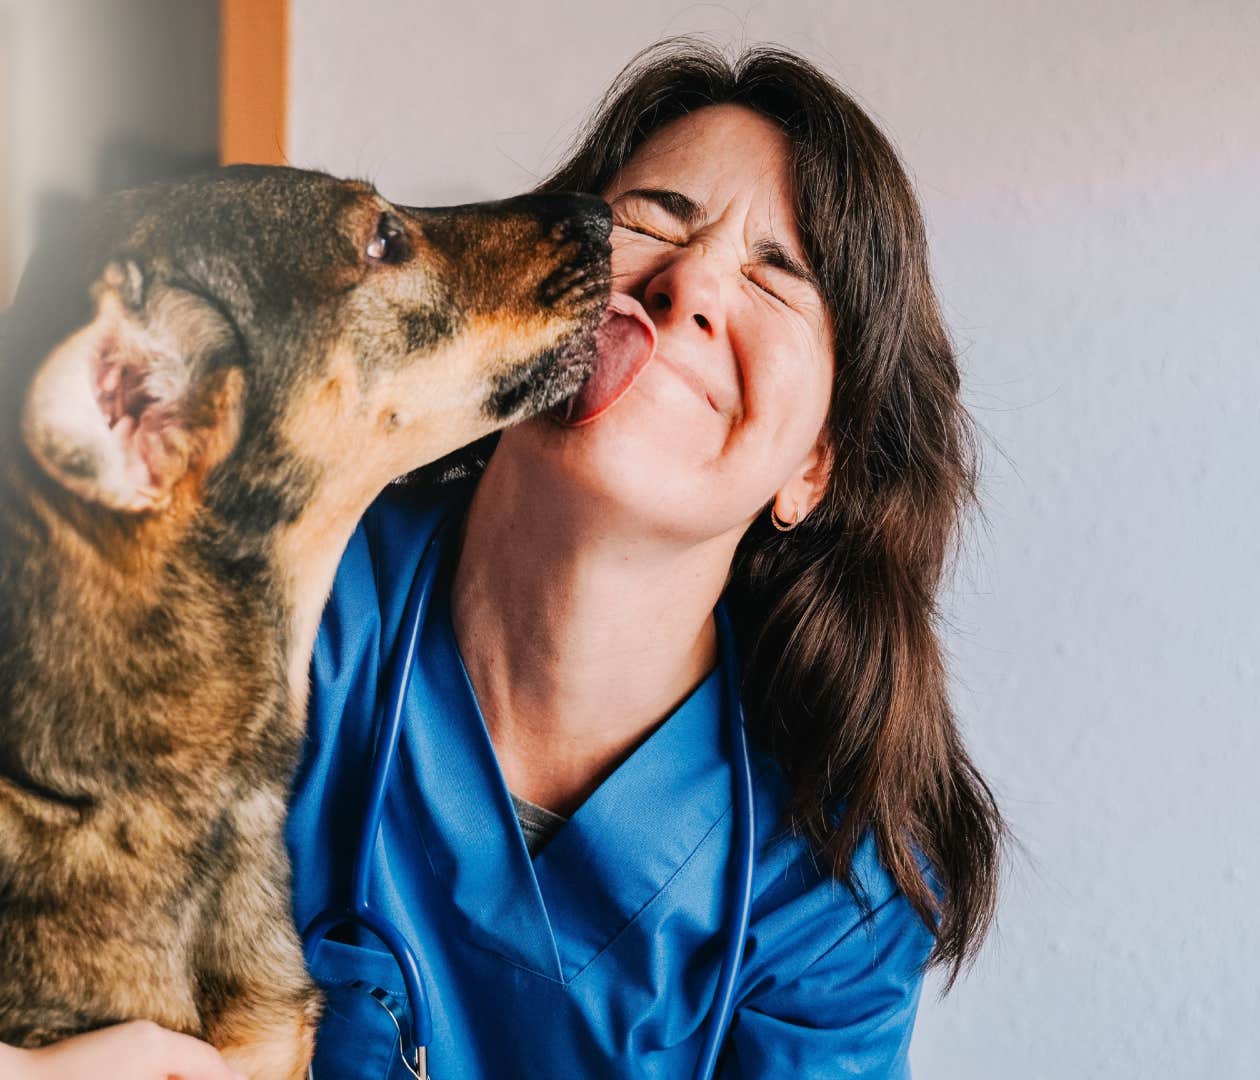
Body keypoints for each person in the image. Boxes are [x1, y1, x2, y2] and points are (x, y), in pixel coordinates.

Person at [1, 39, 1002, 1079]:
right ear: (532, 291)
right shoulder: (277, 615)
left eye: (777, 276)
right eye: (657, 213)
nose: (693, 280)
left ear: (814, 469)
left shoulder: (833, 891)